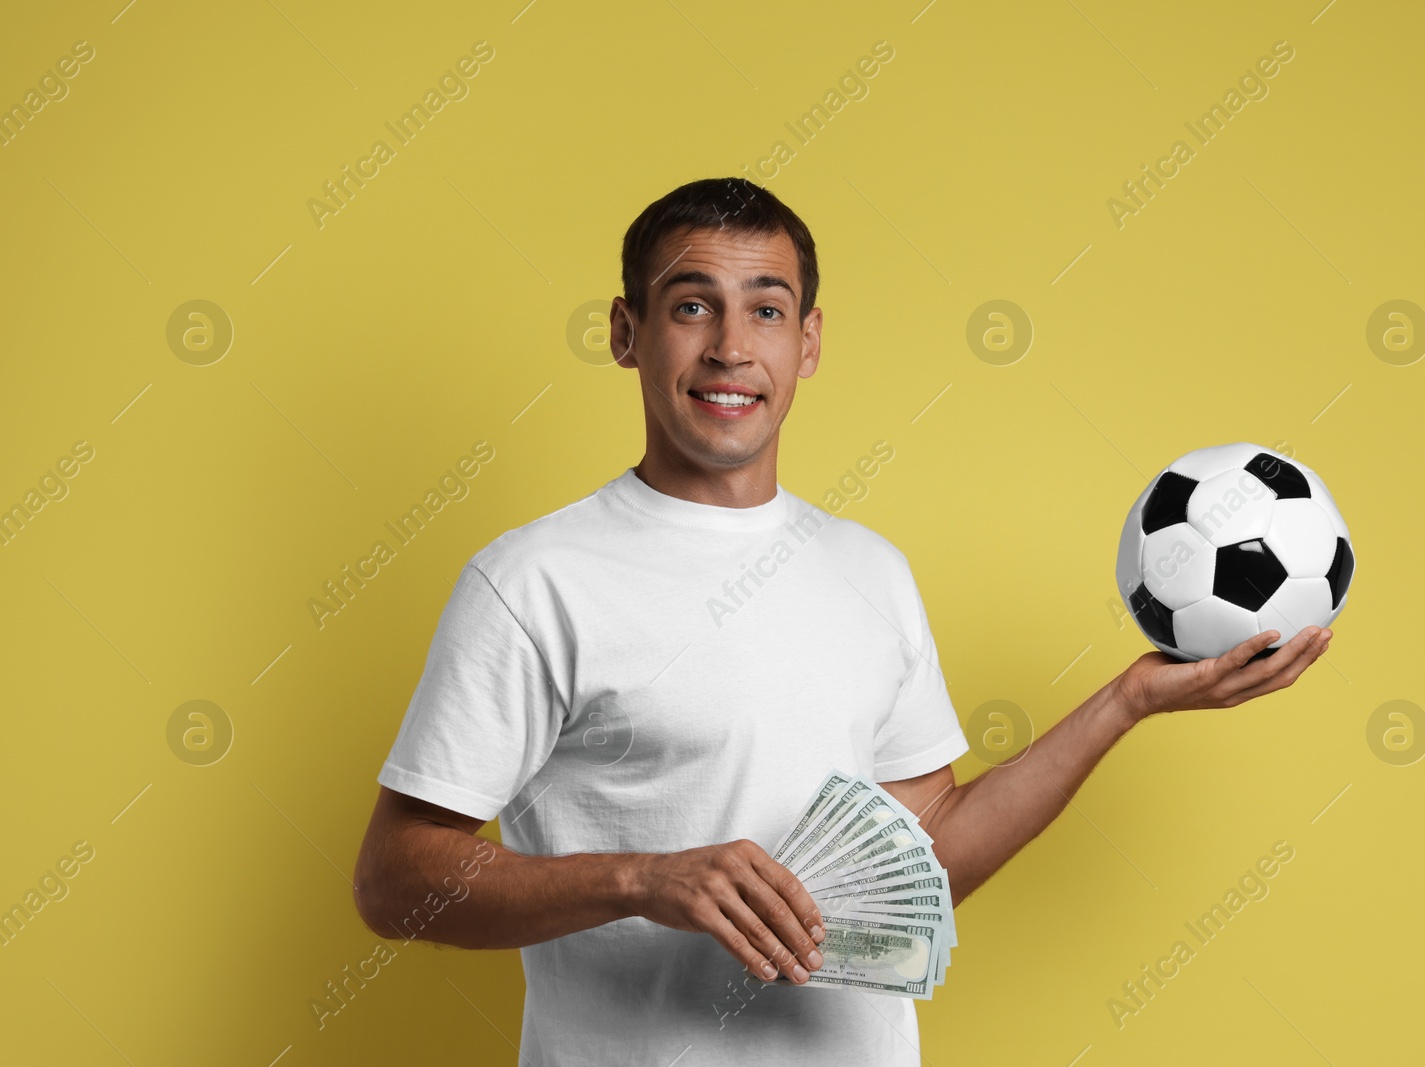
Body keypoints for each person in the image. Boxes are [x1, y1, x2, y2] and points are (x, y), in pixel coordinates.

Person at [352, 176, 1332, 1066]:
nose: (730, 346)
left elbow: (928, 858)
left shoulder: (870, 570)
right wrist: (645, 878)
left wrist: (1126, 701)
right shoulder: (534, 580)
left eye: (765, 310)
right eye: (692, 305)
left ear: (807, 340)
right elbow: (395, 882)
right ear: (626, 330)